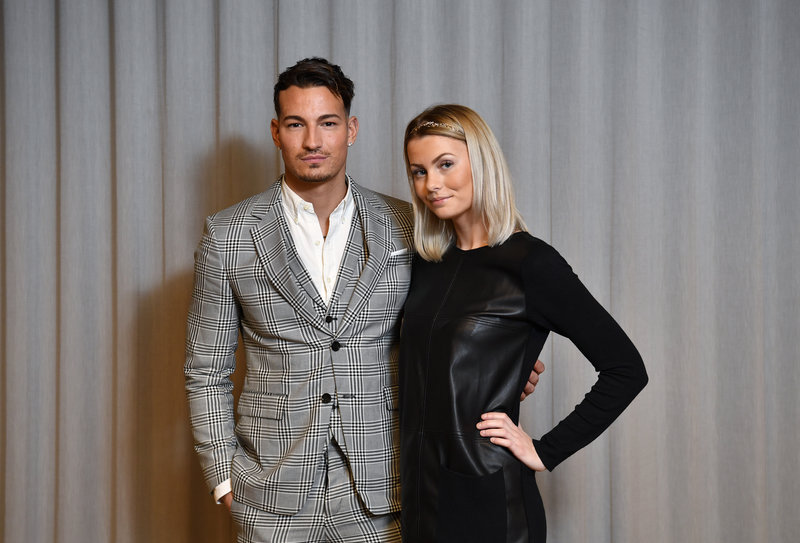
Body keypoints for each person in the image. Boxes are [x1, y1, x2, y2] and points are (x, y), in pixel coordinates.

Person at [184, 59, 544, 542]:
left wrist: (501, 360)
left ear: (350, 129)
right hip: (271, 495)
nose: (313, 141)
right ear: (276, 132)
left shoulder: (409, 226)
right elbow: (205, 370)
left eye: (328, 123)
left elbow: (457, 316)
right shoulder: (228, 235)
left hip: (384, 488)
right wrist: (224, 481)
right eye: (296, 124)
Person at [398, 104, 648, 543]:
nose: (431, 184)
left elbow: (626, 370)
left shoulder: (531, 263)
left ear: (482, 161)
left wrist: (544, 450)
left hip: (491, 505)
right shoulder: (425, 264)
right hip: (421, 499)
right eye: (419, 171)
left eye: (445, 164)